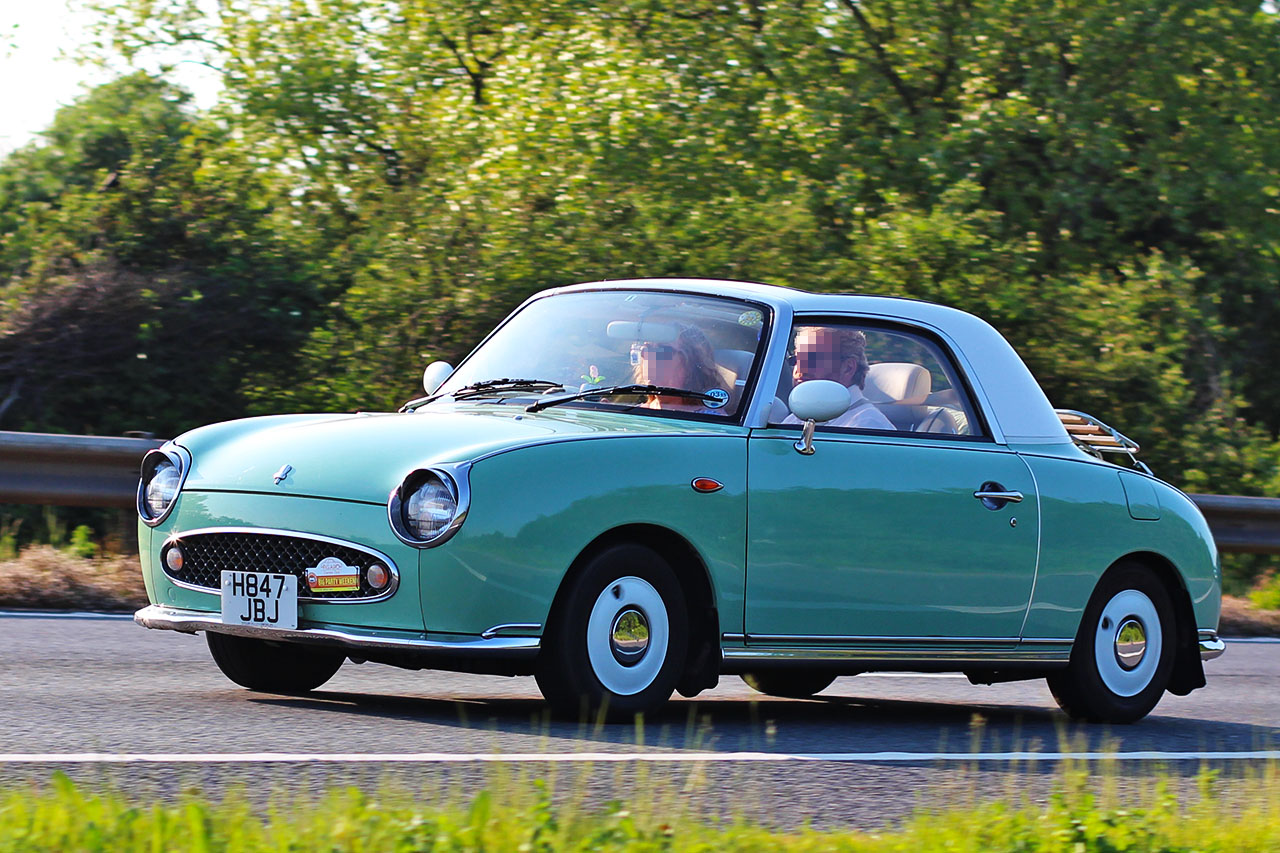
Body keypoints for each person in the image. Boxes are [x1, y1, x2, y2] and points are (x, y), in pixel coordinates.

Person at [782, 325, 894, 429]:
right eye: (796, 360)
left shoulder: (867, 425)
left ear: (848, 368)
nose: (800, 369)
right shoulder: (797, 419)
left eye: (812, 360)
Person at [630, 322, 731, 414]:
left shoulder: (712, 423)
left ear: (691, 362)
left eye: (664, 350)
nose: (648, 356)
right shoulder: (633, 414)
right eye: (646, 349)